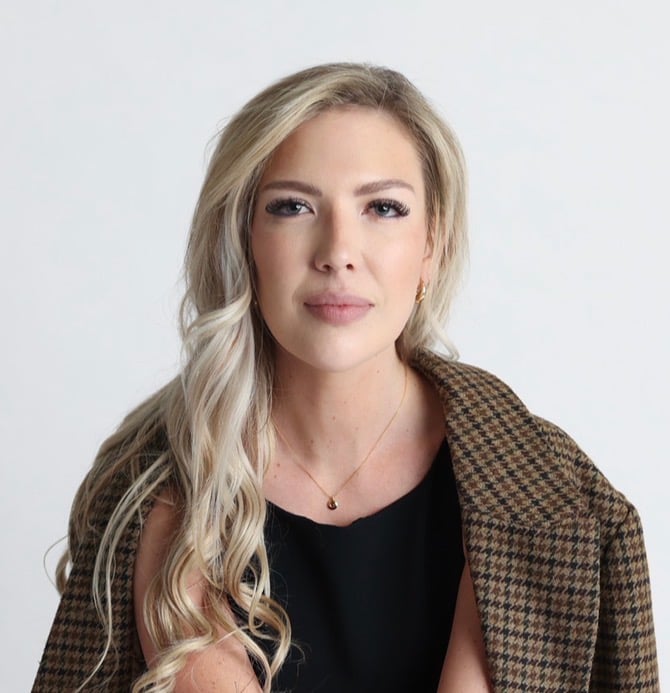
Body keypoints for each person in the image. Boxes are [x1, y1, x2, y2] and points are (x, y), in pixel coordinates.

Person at [33, 63, 658, 693]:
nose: (338, 251)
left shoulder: (565, 504)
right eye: (293, 206)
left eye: (383, 208)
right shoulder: (149, 489)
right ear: (244, 239)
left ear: (432, 245)